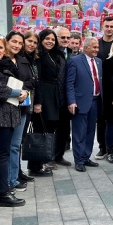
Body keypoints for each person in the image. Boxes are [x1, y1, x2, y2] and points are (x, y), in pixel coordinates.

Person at [0, 37, 27, 207]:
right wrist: (18, 92)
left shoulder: (6, 64)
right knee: (2, 154)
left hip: (10, 114)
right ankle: (3, 193)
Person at [31, 29, 66, 174]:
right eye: (47, 39)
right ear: (41, 39)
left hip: (54, 96)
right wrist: (38, 101)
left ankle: (43, 161)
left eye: (52, 39)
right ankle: (35, 166)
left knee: (50, 128)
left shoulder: (55, 55)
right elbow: (36, 79)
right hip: (43, 96)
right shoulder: (38, 56)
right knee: (40, 130)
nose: (50, 41)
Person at [67, 38, 102, 172]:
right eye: (94, 47)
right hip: (80, 102)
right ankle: (79, 160)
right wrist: (71, 101)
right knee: (79, 132)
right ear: (85, 48)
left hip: (95, 101)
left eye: (97, 47)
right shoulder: (75, 61)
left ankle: (86, 156)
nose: (96, 50)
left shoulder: (99, 62)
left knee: (90, 131)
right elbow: (69, 83)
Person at [17, 31, 41, 180]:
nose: (31, 44)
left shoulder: (32, 59)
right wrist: (30, 83)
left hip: (28, 103)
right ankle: (16, 173)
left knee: (21, 140)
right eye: (29, 41)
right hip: (18, 103)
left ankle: (18, 171)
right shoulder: (18, 59)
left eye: (34, 42)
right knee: (15, 142)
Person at [95, 17, 113, 160]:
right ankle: (102, 147)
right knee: (101, 118)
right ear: (102, 27)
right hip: (100, 86)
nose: (109, 28)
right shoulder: (97, 44)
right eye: (107, 26)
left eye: (112, 26)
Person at [52, 27, 74, 165]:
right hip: (54, 98)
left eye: (67, 37)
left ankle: (58, 156)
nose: (65, 40)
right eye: (62, 37)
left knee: (64, 131)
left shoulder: (72, 54)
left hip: (67, 99)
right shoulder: (52, 54)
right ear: (57, 39)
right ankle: (48, 157)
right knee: (51, 130)